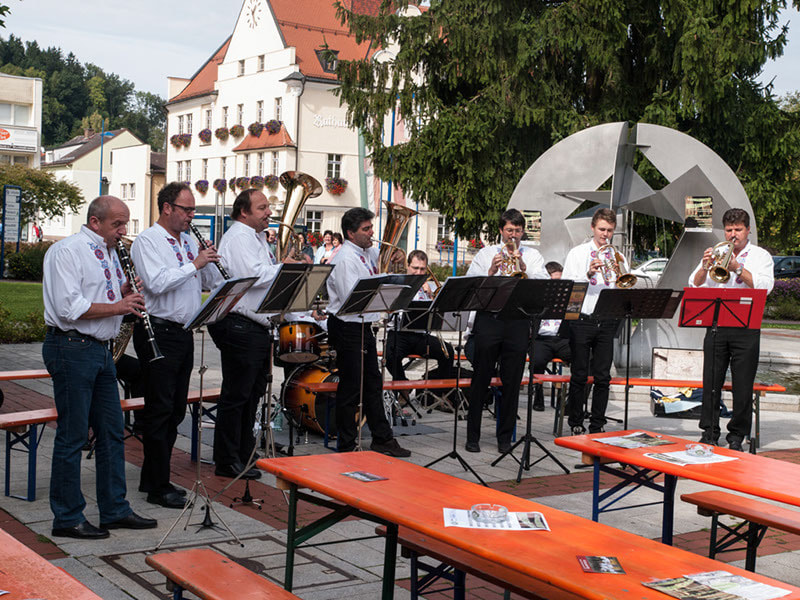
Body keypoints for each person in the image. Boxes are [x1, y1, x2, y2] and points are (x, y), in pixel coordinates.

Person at [42, 196, 156, 539]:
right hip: (71, 347)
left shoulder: (108, 252)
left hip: (100, 351)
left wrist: (123, 293)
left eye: (125, 224)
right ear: (95, 222)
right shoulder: (67, 251)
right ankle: (66, 518)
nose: (123, 231)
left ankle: (114, 509)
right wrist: (119, 305)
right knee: (73, 435)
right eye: (117, 224)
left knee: (111, 432)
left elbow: (102, 298)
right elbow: (69, 308)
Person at [131, 182, 221, 508]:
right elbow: (157, 283)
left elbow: (205, 282)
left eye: (193, 210)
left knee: (176, 410)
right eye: (187, 209)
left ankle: (154, 477)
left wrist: (209, 263)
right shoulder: (148, 241)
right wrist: (194, 264)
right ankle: (157, 485)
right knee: (160, 409)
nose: (191, 216)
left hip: (183, 332)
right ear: (167, 207)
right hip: (158, 331)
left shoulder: (187, 241)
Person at [208, 189, 306, 478]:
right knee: (238, 395)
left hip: (255, 325)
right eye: (262, 208)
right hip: (240, 324)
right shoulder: (239, 237)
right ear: (244, 212)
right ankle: (227, 459)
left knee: (251, 394)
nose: (269, 213)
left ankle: (244, 451)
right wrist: (284, 268)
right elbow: (253, 275)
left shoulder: (256, 237)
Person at [326, 207, 411, 457]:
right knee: (352, 387)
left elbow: (385, 262)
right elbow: (351, 298)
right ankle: (347, 444)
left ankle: (382, 438)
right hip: (348, 325)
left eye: (371, 227)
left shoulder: (367, 252)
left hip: (362, 326)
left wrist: (395, 258)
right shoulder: (345, 259)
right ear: (351, 233)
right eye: (366, 229)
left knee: (373, 383)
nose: (372, 233)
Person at [688, 208, 774, 451]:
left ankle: (736, 436)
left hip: (746, 327)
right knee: (711, 381)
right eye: (729, 230)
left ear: (748, 230)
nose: (733, 234)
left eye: (738, 230)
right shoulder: (717, 252)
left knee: (743, 385)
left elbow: (764, 287)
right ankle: (709, 432)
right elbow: (693, 284)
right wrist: (704, 267)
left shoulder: (760, 256)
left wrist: (737, 267)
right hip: (716, 325)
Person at [465, 208, 547, 454]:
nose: (513, 235)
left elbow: (543, 285)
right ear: (501, 230)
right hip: (489, 319)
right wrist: (490, 271)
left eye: (518, 231)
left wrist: (525, 269)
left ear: (523, 232)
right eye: (509, 230)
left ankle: (505, 438)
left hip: (517, 321)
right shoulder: (486, 253)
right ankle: (472, 436)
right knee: (481, 378)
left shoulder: (533, 255)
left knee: (512, 382)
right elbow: (471, 284)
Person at [562, 207, 625, 435]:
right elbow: (568, 286)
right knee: (579, 374)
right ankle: (575, 421)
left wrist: (619, 276)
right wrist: (587, 274)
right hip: (582, 319)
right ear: (593, 228)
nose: (605, 235)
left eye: (609, 230)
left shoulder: (617, 255)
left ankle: (597, 424)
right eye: (602, 229)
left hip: (607, 320)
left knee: (603, 377)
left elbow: (623, 285)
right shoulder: (577, 253)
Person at [385, 250, 454, 383]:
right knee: (390, 356)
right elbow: (389, 310)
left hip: (420, 335)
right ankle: (403, 385)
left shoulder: (429, 286)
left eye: (422, 269)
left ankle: (441, 390)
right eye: (415, 268)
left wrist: (431, 296)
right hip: (399, 333)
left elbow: (437, 315)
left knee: (447, 352)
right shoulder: (397, 283)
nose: (418, 272)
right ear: (408, 266)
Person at [531, 261, 571, 411]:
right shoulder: (538, 298)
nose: (558, 286)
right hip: (542, 339)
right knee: (537, 360)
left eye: (561, 282)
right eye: (555, 282)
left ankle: (569, 399)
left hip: (562, 338)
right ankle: (538, 395)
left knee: (583, 358)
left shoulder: (567, 298)